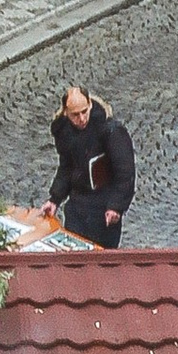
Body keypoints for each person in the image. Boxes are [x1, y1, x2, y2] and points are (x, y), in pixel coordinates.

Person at [51, 84, 136, 248]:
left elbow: (125, 173)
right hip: (77, 207)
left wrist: (116, 206)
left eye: (84, 112)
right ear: (66, 112)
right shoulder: (64, 131)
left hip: (102, 208)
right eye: (75, 115)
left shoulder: (111, 131)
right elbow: (67, 166)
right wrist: (55, 198)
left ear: (90, 105)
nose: (81, 119)